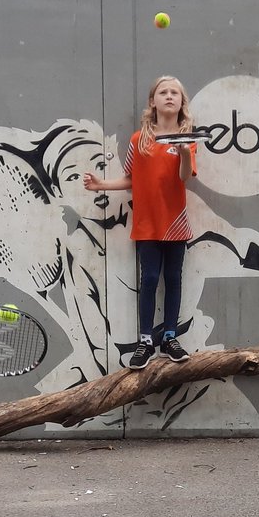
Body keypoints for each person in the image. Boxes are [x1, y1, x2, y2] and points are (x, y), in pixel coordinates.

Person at [83, 75, 197, 369]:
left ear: (181, 102)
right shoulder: (139, 139)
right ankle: (145, 342)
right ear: (152, 101)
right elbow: (130, 179)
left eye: (175, 92)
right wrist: (101, 185)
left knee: (173, 280)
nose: (169, 96)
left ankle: (170, 337)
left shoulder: (187, 138)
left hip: (176, 224)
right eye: (163, 92)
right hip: (147, 223)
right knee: (148, 280)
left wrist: (184, 152)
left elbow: (185, 177)